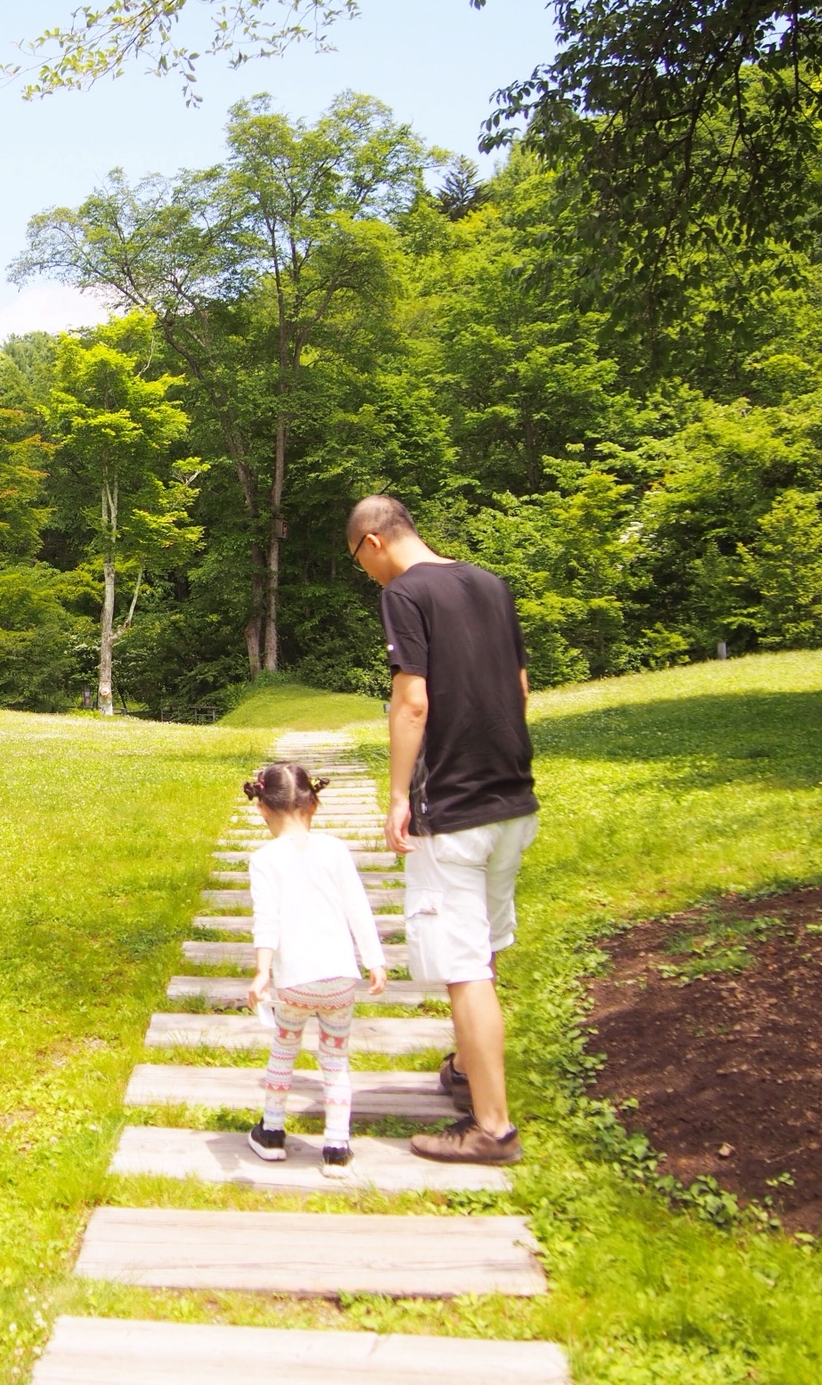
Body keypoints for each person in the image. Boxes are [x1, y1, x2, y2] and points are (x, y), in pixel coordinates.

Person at [346, 494, 538, 1166]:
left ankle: (491, 1127)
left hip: (453, 807)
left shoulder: (406, 593)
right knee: (482, 944)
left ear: (372, 542)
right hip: (514, 799)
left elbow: (413, 698)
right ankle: (466, 1068)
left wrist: (399, 794)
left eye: (358, 563)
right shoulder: (491, 584)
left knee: (463, 967)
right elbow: (517, 685)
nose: (366, 575)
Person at [241, 763, 388, 1177]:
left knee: (284, 1052)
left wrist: (262, 973)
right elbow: (357, 907)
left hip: (295, 985)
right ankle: (337, 1148)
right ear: (313, 804)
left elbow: (265, 919)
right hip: (341, 979)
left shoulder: (263, 859)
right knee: (336, 1060)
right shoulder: (335, 849)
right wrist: (374, 960)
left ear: (262, 809)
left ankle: (271, 1133)